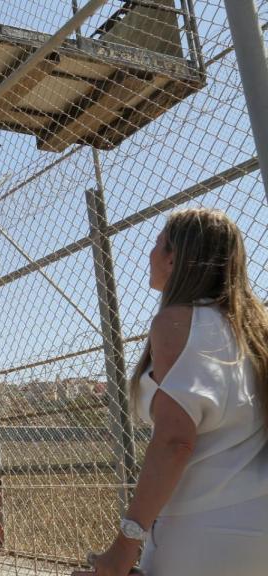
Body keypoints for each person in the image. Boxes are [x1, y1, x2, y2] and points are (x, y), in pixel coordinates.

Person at [87, 208, 268, 576]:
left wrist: (125, 546)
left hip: (200, 530)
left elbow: (174, 442)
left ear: (174, 259)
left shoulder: (176, 322)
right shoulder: (256, 329)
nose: (150, 254)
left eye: (157, 244)